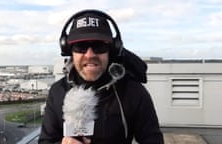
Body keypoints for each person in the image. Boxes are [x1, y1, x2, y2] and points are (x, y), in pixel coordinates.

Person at [38, 9, 164, 144]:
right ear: (69, 51)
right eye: (81, 47)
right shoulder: (57, 91)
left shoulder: (133, 92)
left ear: (112, 50)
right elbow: (46, 141)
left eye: (99, 46)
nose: (90, 55)